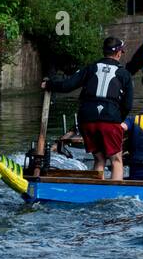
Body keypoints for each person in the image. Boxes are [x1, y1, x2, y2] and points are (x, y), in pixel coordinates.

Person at [44, 37, 135, 180]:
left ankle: (95, 190)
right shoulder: (124, 74)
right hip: (110, 119)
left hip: (87, 119)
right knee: (116, 160)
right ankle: (115, 196)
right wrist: (117, 119)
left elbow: (67, 86)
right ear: (118, 53)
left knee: (99, 158)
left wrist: (49, 84)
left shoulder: (90, 68)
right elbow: (128, 105)